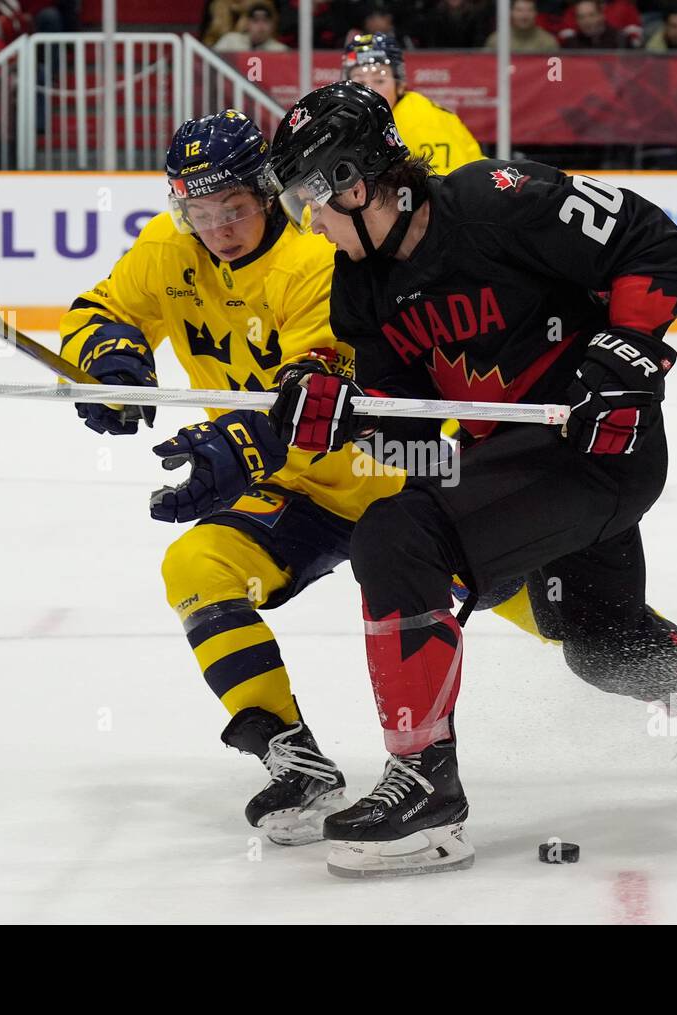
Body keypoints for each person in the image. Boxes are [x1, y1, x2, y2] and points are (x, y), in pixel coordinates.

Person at [263, 82, 677, 877]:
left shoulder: (493, 200)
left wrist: (628, 356)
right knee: (600, 641)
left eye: (313, 198)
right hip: (516, 462)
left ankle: (428, 793)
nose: (309, 221)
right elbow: (410, 430)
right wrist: (343, 415)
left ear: (356, 180)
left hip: (599, 450)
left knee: (396, 533)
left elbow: (656, 244)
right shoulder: (362, 286)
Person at [58, 110, 403, 846]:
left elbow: (313, 395)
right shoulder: (166, 249)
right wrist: (112, 360)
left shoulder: (317, 260)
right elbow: (101, 309)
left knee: (572, 624)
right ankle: (294, 756)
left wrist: (232, 450)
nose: (218, 226)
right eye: (198, 210)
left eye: (235, 207)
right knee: (197, 564)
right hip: (290, 492)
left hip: (388, 484)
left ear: (270, 193)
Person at [342, 31, 483, 176]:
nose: (369, 90)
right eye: (359, 82)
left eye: (379, 80)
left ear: (400, 85)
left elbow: (446, 190)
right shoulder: (360, 122)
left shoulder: (422, 121)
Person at [484, 0, 560, 51]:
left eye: (529, 10)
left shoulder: (548, 41)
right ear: (511, 13)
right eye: (519, 10)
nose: (524, 15)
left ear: (535, 13)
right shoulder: (496, 40)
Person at [214, 1, 288, 51]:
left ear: (273, 25)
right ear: (247, 24)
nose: (261, 26)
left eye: (265, 21)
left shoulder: (280, 50)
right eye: (255, 21)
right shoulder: (230, 41)